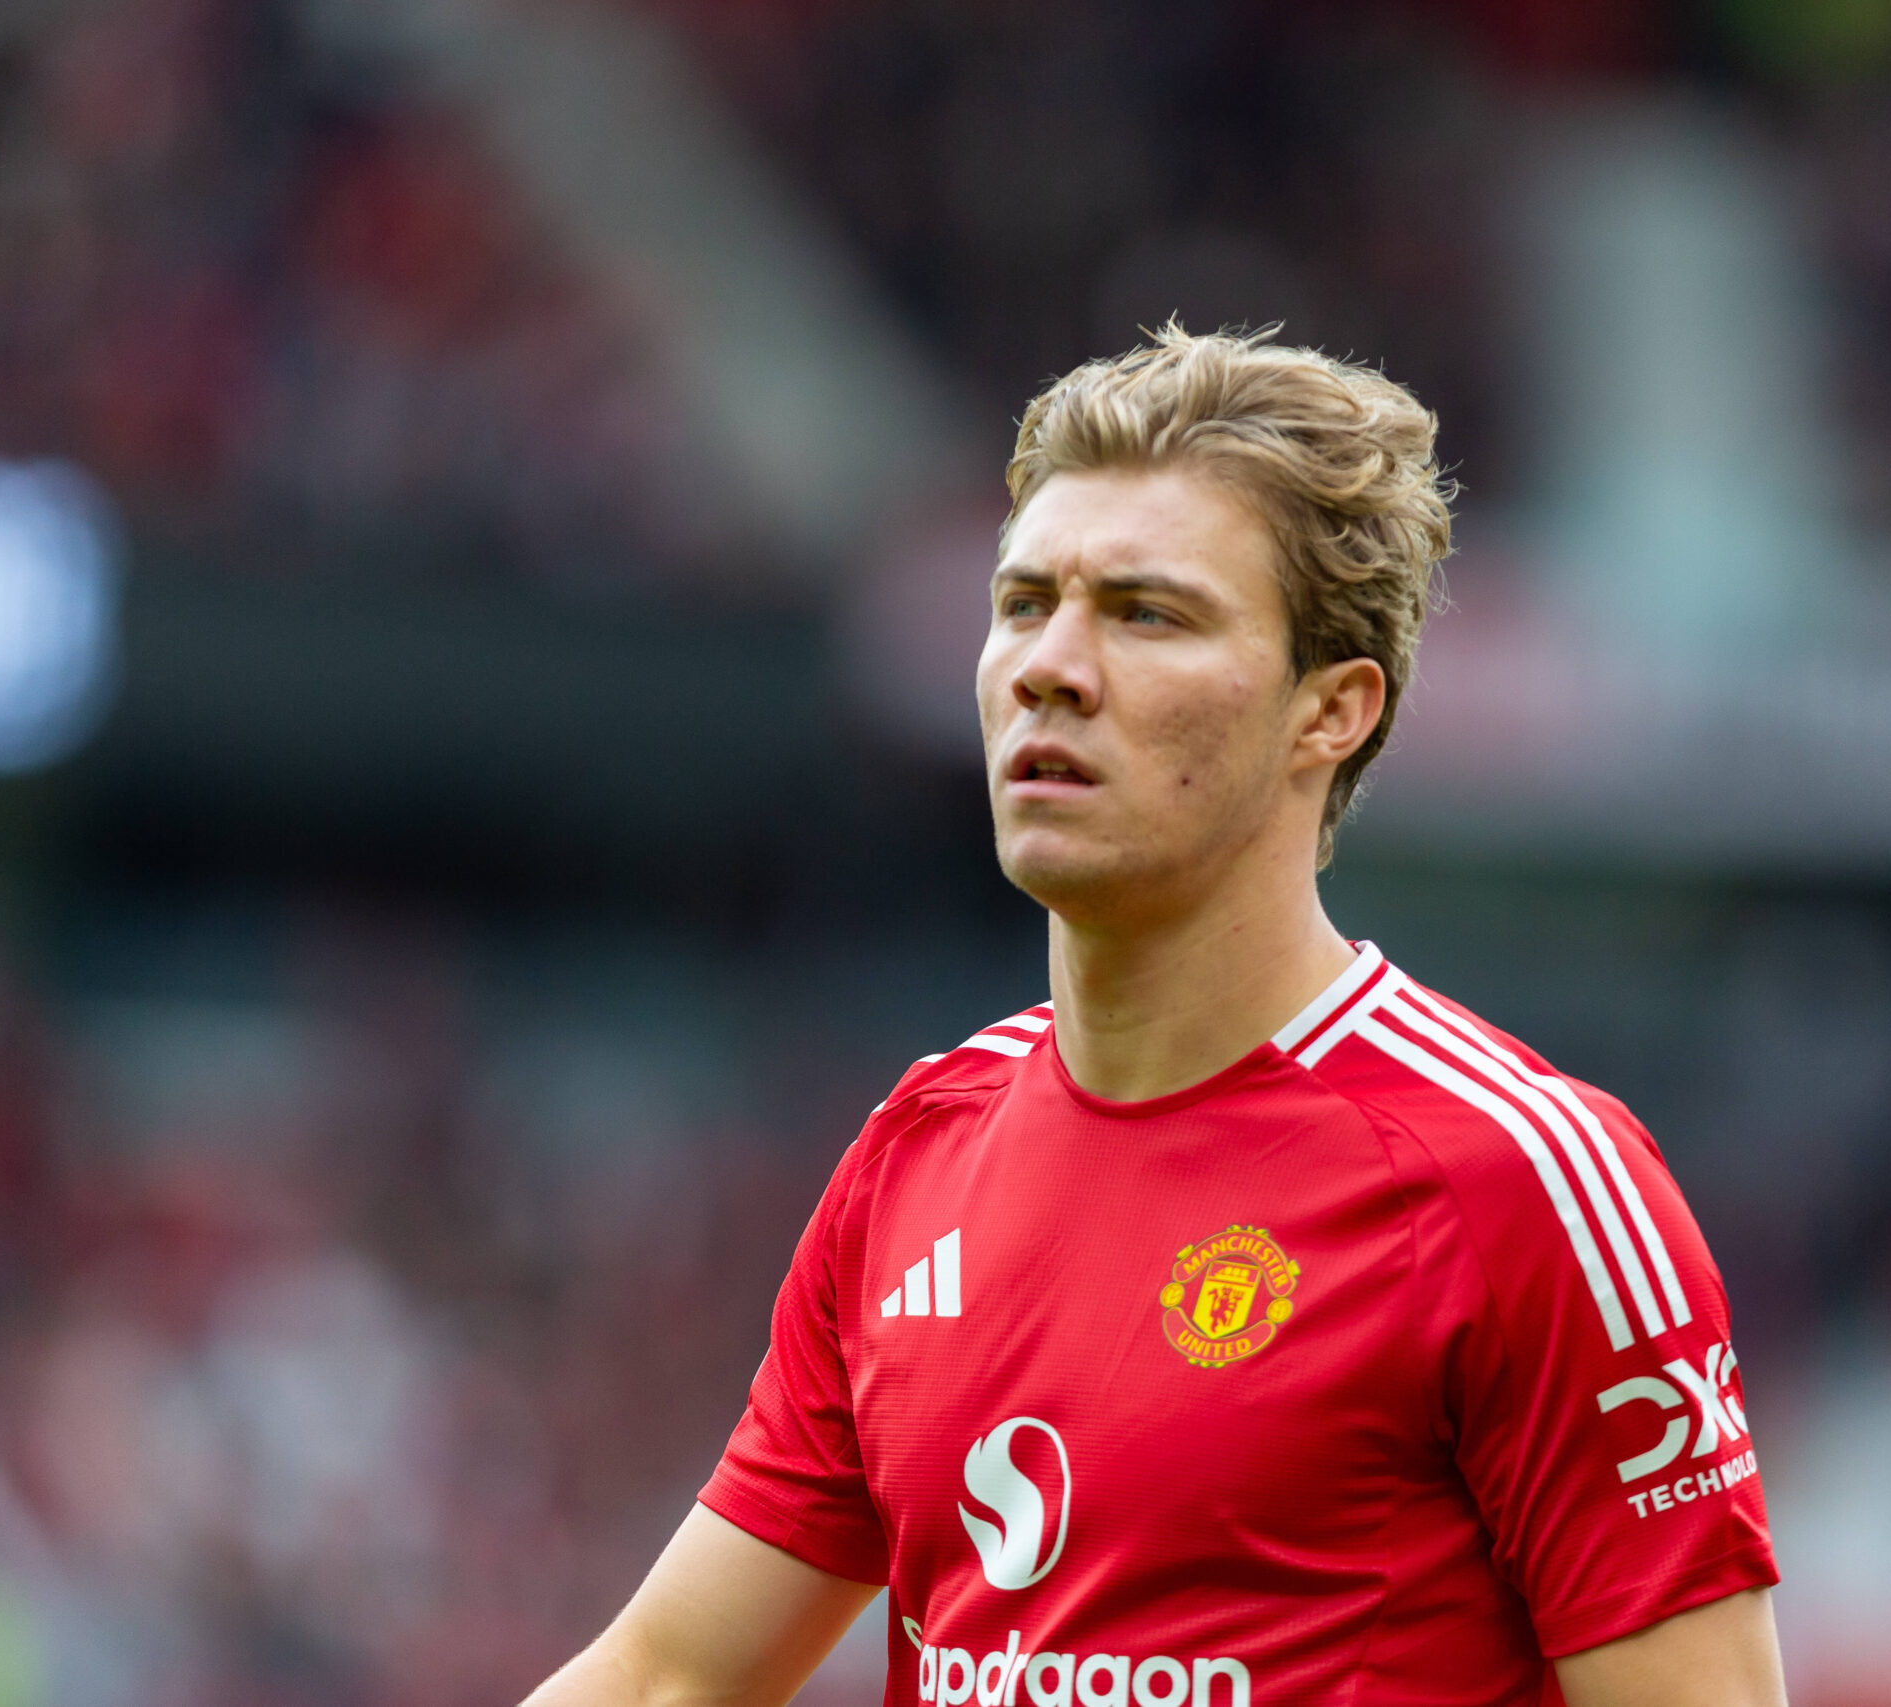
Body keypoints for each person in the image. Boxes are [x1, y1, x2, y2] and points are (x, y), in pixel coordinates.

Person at [523, 327, 1785, 1707]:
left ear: (1331, 712)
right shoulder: (918, 1154)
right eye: (1022, 604)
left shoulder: (1520, 1181)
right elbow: (667, 1680)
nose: (1049, 668)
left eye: (1146, 614)